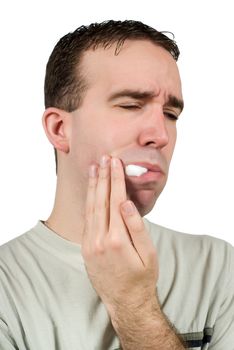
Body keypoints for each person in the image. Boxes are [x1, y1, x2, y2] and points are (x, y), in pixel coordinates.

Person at [0, 20, 233, 350]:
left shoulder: (219, 268)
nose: (161, 135)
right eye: (130, 105)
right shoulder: (6, 286)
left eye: (170, 113)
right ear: (59, 129)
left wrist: (134, 305)